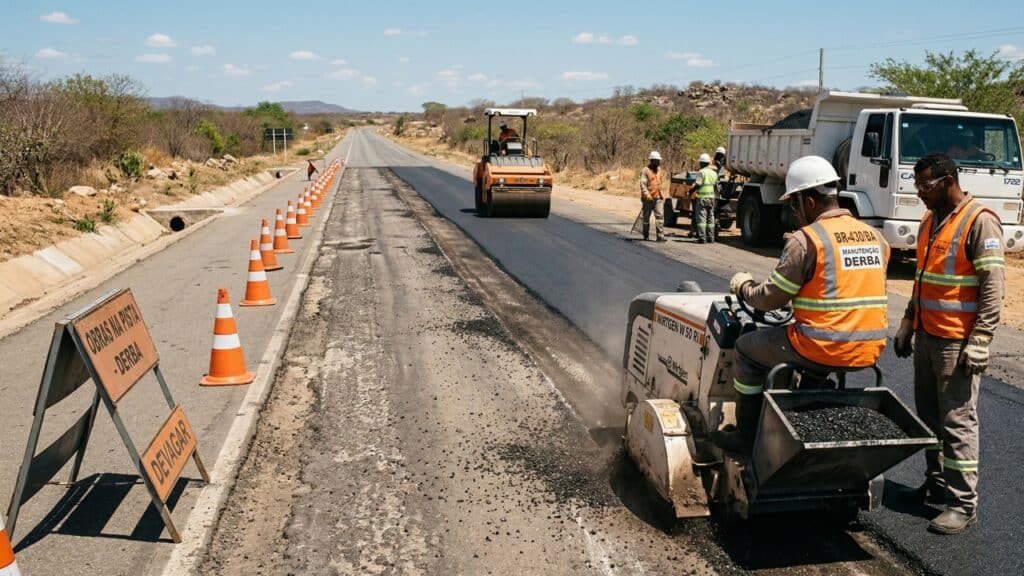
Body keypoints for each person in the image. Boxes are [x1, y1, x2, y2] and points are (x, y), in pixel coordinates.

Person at [721, 155, 890, 453]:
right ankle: (808, 396)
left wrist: (744, 287)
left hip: (822, 345)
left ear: (808, 201)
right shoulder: (876, 238)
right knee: (799, 337)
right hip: (869, 347)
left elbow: (771, 298)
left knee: (747, 348)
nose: (794, 212)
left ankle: (746, 436)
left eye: (793, 204)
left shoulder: (807, 240)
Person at [893, 152, 1004, 535]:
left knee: (957, 421)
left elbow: (993, 288)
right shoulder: (930, 220)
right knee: (929, 416)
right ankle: (937, 486)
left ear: (948, 180)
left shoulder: (980, 222)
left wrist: (982, 339)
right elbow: (922, 277)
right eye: (917, 185)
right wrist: (909, 321)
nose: (919, 192)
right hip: (927, 335)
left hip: (957, 342)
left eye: (925, 185)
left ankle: (962, 504)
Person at [688, 153, 718, 243]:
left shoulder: (701, 172)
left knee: (701, 218)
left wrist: (690, 191)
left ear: (701, 163)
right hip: (712, 198)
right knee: (710, 218)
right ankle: (711, 237)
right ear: (708, 163)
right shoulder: (714, 173)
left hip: (702, 198)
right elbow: (716, 187)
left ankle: (702, 238)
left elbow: (698, 184)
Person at [639, 151, 667, 242]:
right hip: (648, 199)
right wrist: (647, 195)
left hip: (658, 198)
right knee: (646, 218)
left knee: (660, 217)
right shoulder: (645, 170)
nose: (658, 162)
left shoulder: (659, 170)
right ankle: (646, 235)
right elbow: (642, 184)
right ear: (651, 160)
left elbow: (660, 183)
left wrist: (661, 194)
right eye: (656, 160)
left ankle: (660, 236)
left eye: (659, 161)